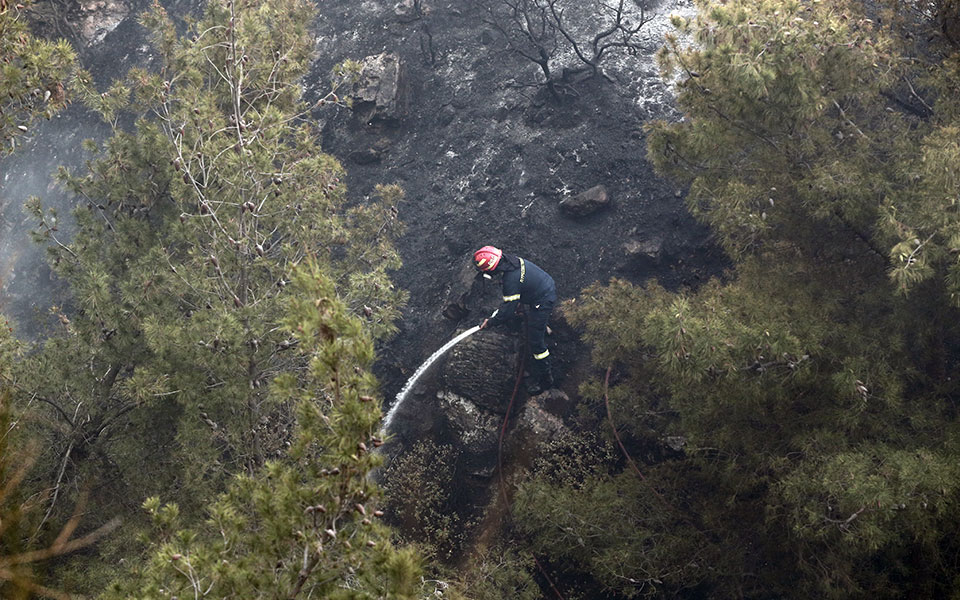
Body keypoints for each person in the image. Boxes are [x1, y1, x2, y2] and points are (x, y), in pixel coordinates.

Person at [474, 245, 556, 395]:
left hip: (543, 300)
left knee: (536, 343)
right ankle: (542, 325)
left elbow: (507, 312)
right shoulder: (512, 261)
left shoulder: (510, 281)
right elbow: (520, 287)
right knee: (524, 315)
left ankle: (545, 378)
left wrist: (490, 322)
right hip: (542, 285)